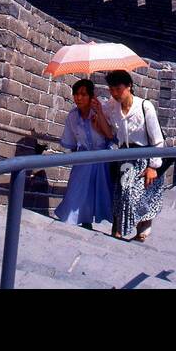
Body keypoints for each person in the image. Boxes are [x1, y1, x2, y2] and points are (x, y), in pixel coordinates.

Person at [101, 70, 165, 242]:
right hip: (124, 158)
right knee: (124, 194)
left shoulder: (145, 107)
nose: (115, 93)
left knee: (138, 194)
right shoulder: (112, 106)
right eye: (111, 90)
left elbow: (157, 140)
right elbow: (105, 123)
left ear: (129, 86)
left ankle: (143, 225)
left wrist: (153, 166)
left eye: (118, 89)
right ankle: (118, 231)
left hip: (144, 156)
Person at [54, 79, 114, 229]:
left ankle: (110, 227)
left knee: (102, 194)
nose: (78, 98)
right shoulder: (73, 116)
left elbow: (110, 135)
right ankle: (72, 221)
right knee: (76, 188)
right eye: (76, 94)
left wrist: (99, 112)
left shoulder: (102, 111)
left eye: (83, 94)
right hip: (84, 156)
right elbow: (70, 142)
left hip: (103, 157)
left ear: (91, 96)